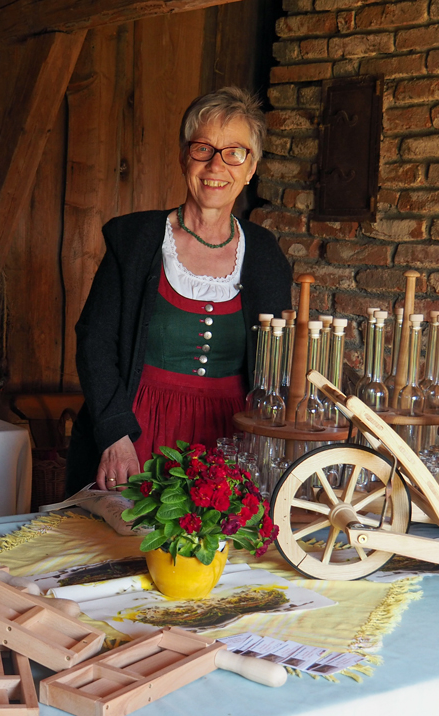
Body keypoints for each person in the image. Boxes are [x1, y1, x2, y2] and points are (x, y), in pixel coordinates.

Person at [67, 87, 292, 495]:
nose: (216, 165)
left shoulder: (265, 254)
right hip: (137, 434)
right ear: (183, 155)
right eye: (203, 148)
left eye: (234, 152)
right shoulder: (135, 239)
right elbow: (94, 341)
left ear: (251, 166)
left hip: (231, 442)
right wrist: (114, 435)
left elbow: (280, 362)